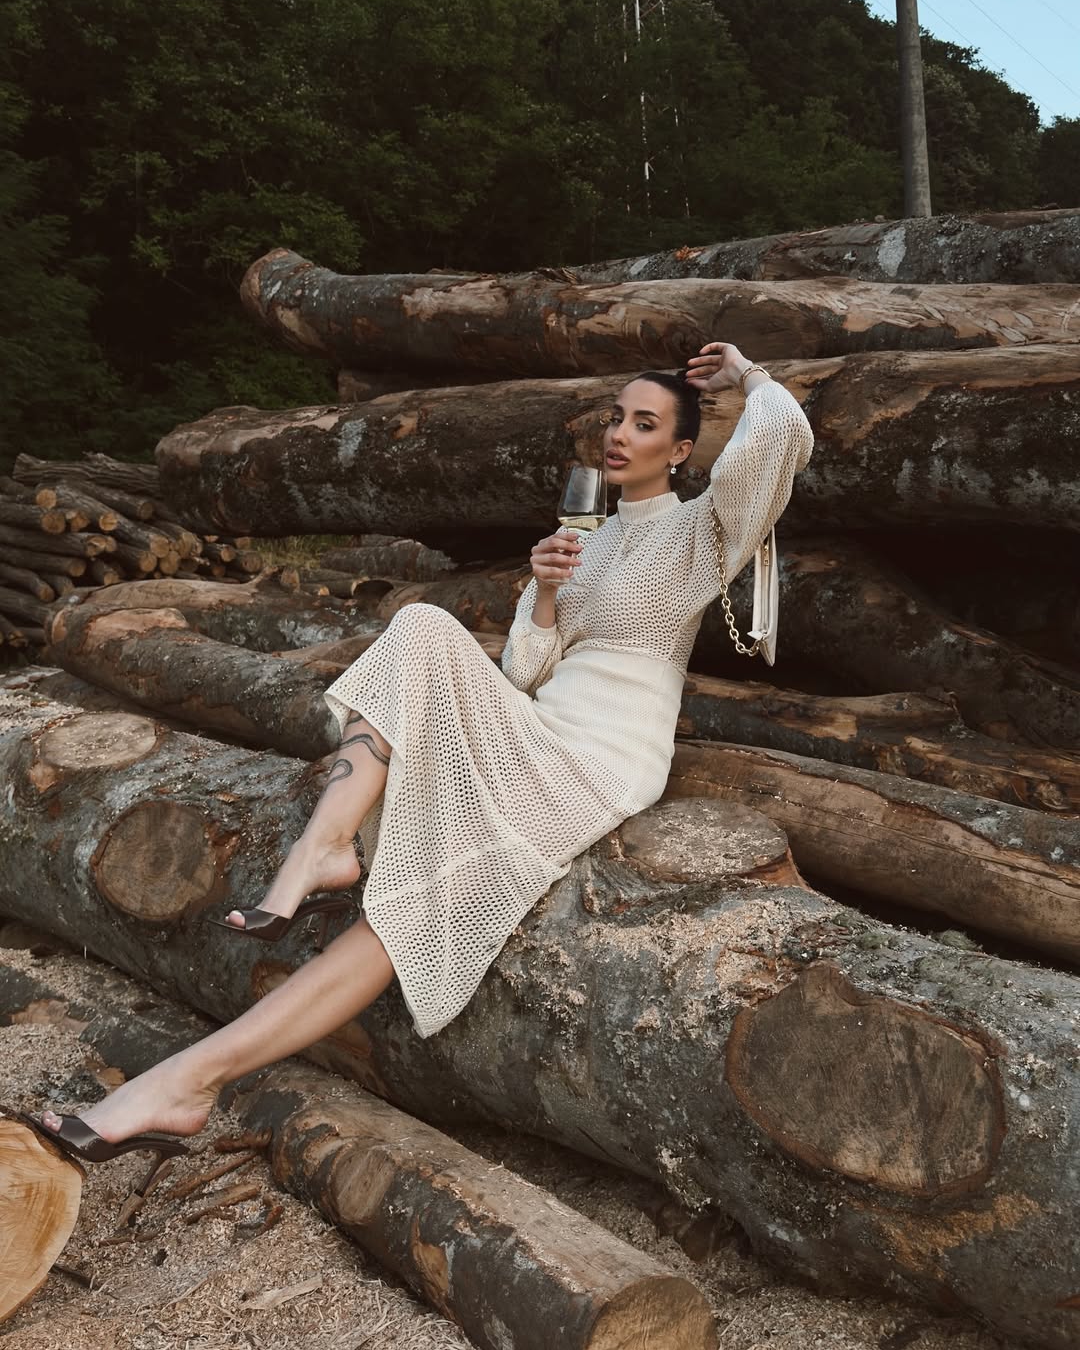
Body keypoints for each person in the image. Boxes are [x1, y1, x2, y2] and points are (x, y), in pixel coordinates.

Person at [32, 340, 813, 1161]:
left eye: (645, 424)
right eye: (616, 417)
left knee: (417, 864)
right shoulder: (586, 536)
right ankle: (304, 884)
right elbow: (524, 671)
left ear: (681, 450)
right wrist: (548, 594)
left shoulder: (703, 529)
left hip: (603, 758)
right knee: (418, 636)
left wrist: (747, 375)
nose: (619, 434)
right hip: (537, 726)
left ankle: (195, 1067)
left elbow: (785, 437)